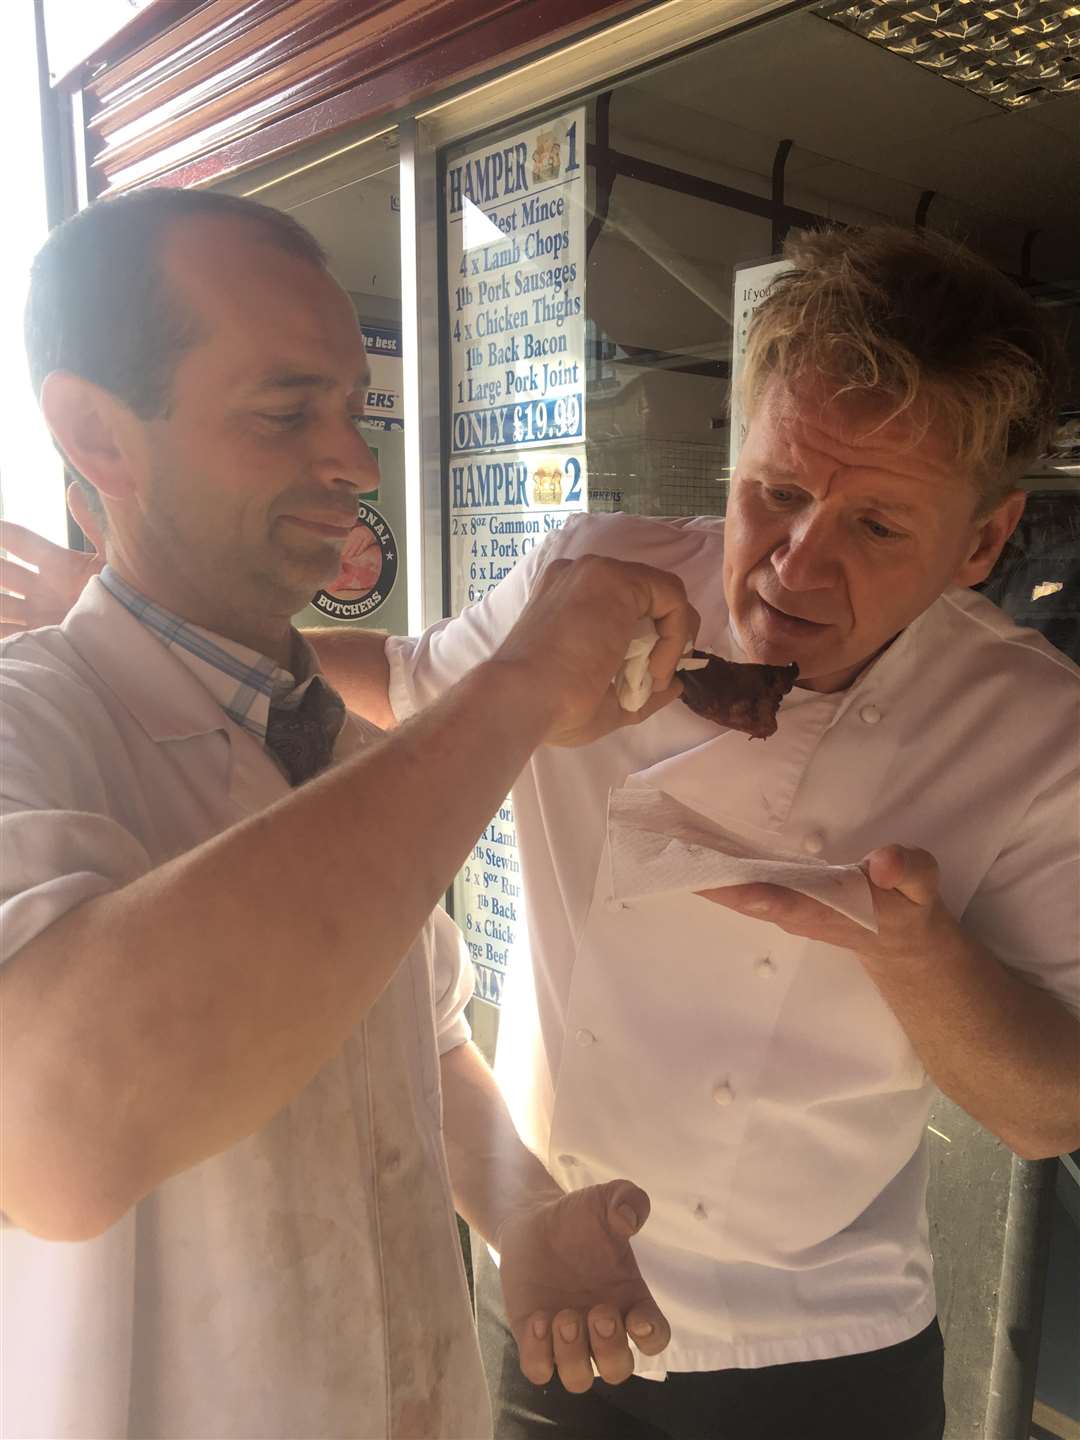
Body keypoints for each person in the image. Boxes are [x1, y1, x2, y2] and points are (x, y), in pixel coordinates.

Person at [7, 225, 1079, 1440]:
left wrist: (920, 956)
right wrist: (508, 685)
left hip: (818, 1330)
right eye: (774, 493)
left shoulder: (1038, 730)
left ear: (984, 543)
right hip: (555, 1326)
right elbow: (415, 683)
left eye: (879, 529)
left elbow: (1049, 1108)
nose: (795, 566)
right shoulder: (592, 589)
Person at [0, 188, 701, 1440]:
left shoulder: (323, 749)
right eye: (286, 413)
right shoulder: (29, 725)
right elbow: (55, 1132)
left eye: (352, 410)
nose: (356, 466)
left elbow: (423, 1041)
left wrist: (524, 1212)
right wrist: (519, 686)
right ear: (95, 435)